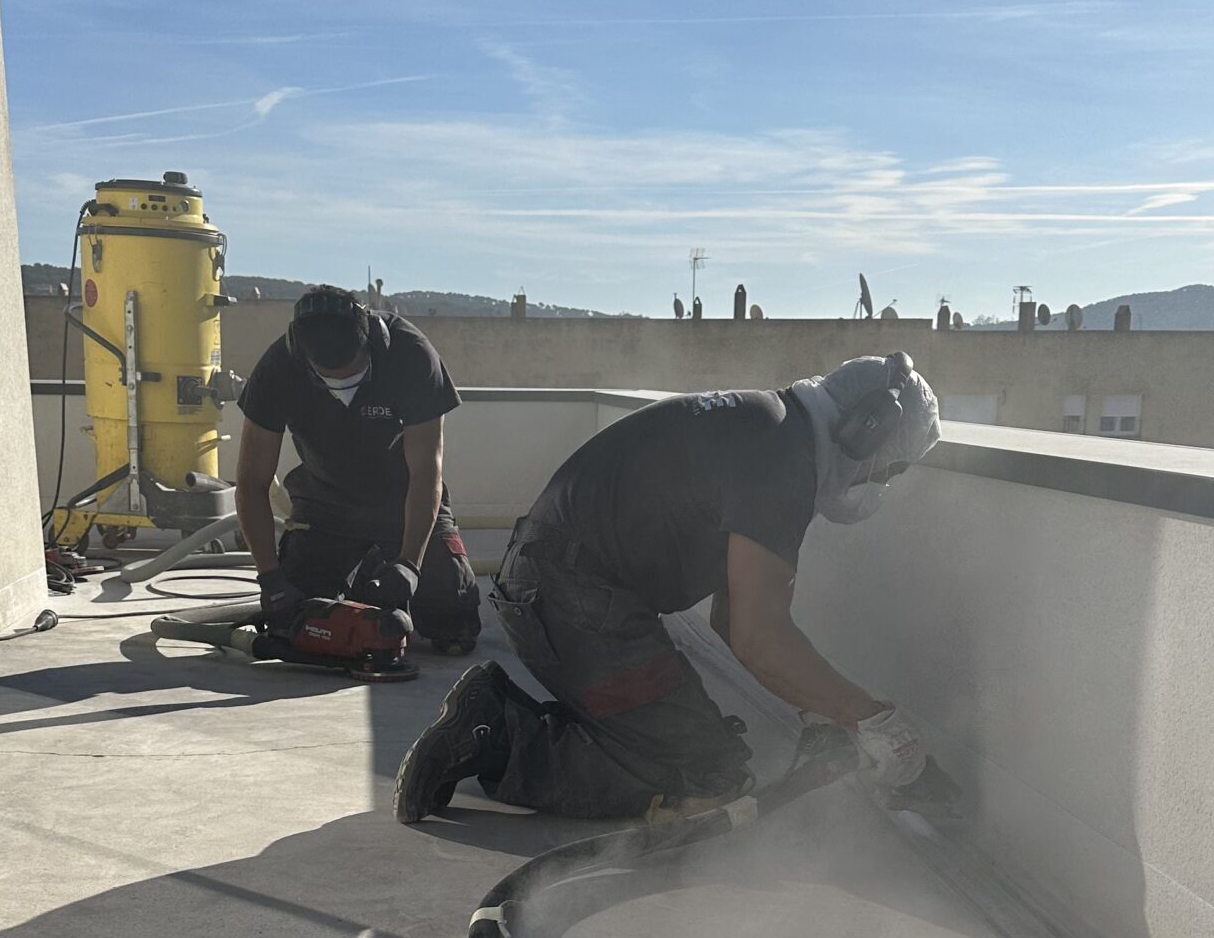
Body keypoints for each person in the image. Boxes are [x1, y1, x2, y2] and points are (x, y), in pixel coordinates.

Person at [393, 352, 939, 822]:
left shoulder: (773, 428)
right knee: (703, 775)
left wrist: (826, 706)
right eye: (886, 469)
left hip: (560, 588)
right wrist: (875, 722)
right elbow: (759, 637)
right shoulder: (781, 466)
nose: (878, 484)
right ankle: (498, 731)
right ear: (864, 428)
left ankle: (547, 726)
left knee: (683, 743)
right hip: (572, 601)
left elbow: (734, 619)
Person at [235, 285, 481, 651]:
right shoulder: (278, 368)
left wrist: (410, 566)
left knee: (452, 622)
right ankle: (365, 575)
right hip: (324, 505)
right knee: (297, 618)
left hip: (403, 499)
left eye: (352, 376)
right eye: (327, 379)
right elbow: (252, 483)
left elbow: (426, 472)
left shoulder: (410, 355)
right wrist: (269, 578)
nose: (342, 388)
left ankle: (390, 574)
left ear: (371, 343)